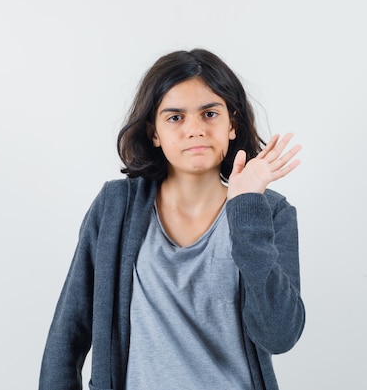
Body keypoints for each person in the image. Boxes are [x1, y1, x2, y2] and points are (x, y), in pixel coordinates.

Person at [39, 48, 305, 390]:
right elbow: (68, 332)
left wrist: (246, 208)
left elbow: (279, 335)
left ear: (232, 125)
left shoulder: (270, 213)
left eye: (209, 113)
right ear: (154, 133)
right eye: (175, 117)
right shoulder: (115, 207)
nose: (194, 129)